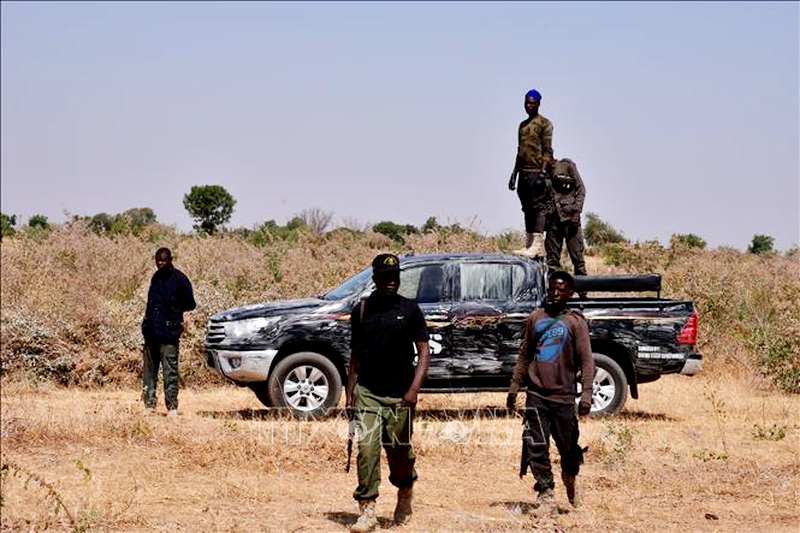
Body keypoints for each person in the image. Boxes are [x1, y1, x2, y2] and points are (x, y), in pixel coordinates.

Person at [345, 253, 430, 532]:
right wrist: (350, 392)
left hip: (400, 395)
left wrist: (414, 389)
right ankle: (367, 510)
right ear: (375, 279)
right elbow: (356, 355)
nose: (391, 282)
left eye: (395, 277)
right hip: (368, 391)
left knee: (398, 452)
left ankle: (405, 491)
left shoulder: (411, 309)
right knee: (367, 450)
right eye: (385, 277)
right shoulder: (362, 310)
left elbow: (424, 351)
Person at [506, 270, 594, 514]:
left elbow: (587, 361)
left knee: (567, 448)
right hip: (537, 395)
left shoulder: (575, 323)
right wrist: (514, 387)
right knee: (536, 445)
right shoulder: (535, 318)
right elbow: (525, 354)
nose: (555, 294)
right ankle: (546, 494)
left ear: (569, 293)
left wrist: (586, 395)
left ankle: (570, 474)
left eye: (561, 290)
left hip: (564, 397)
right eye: (552, 289)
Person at [141, 247, 196, 418]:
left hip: (169, 334)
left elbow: (190, 304)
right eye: (157, 260)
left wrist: (174, 310)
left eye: (163, 260)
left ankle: (172, 407)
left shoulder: (180, 279)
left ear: (170, 260)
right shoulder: (155, 278)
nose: (160, 263)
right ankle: (149, 405)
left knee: (170, 372)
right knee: (149, 372)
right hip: (151, 333)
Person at [508, 88, 554, 257]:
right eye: (527, 103)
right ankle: (529, 243)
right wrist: (514, 174)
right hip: (523, 172)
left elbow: (548, 150)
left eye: (532, 104)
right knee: (527, 208)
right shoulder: (522, 126)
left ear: (538, 104)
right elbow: (520, 151)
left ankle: (538, 243)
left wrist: (543, 172)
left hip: (537, 172)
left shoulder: (545, 124)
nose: (529, 106)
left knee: (538, 208)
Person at [545, 157, 588, 280]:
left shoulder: (566, 166)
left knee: (578, 260)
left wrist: (576, 212)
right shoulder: (542, 173)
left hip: (570, 220)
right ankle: (555, 292)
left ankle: (583, 294)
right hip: (553, 220)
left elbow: (581, 190)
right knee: (551, 261)